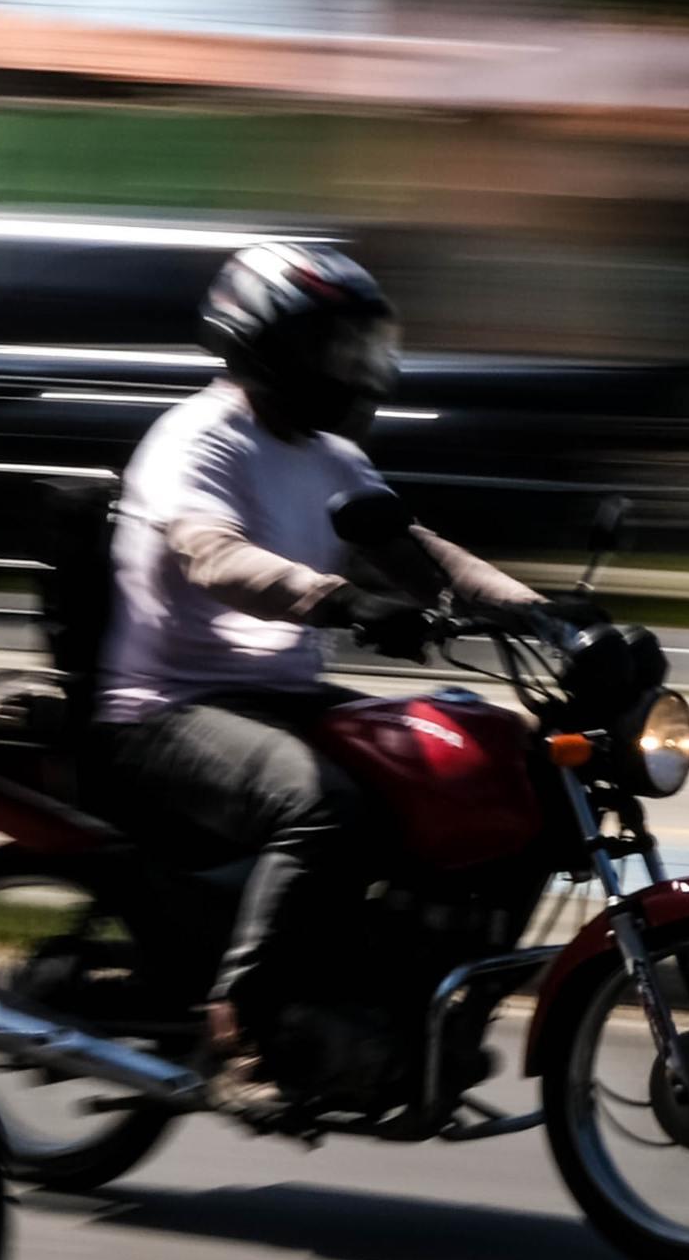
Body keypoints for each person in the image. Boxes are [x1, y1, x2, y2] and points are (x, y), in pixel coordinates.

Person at [93, 241, 553, 1096]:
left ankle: (421, 1006)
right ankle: (244, 1028)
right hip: (166, 708)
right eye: (336, 348)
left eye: (361, 349)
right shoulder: (198, 439)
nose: (355, 369)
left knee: (503, 768)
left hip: (282, 697)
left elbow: (420, 555)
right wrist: (337, 600)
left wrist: (554, 619)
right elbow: (213, 556)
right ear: (267, 343)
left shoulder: (331, 457)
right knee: (324, 808)